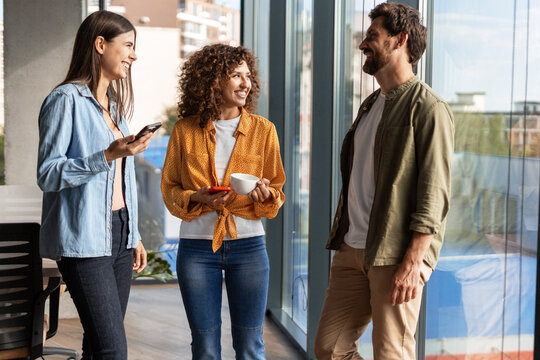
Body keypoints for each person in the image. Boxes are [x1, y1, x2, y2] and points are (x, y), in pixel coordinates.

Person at [314, 3, 454, 360]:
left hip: (394, 255)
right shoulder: (372, 103)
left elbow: (434, 193)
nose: (363, 44)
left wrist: (413, 263)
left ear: (400, 41)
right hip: (352, 247)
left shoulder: (428, 107)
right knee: (330, 348)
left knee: (392, 353)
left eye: (373, 36)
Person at [37, 10, 152, 359]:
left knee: (98, 345)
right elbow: (48, 174)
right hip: (84, 242)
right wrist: (105, 155)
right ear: (101, 44)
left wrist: (134, 236)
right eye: (128, 45)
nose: (134, 55)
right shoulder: (65, 100)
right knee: (112, 348)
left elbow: (119, 181)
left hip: (119, 235)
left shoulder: (114, 106)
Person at [161, 44, 285, 360]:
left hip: (249, 248)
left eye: (248, 76)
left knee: (250, 346)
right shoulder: (185, 130)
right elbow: (170, 189)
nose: (246, 83)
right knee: (204, 346)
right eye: (235, 75)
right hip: (197, 249)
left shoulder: (263, 130)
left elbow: (277, 192)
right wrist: (195, 198)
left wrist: (265, 194)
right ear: (213, 80)